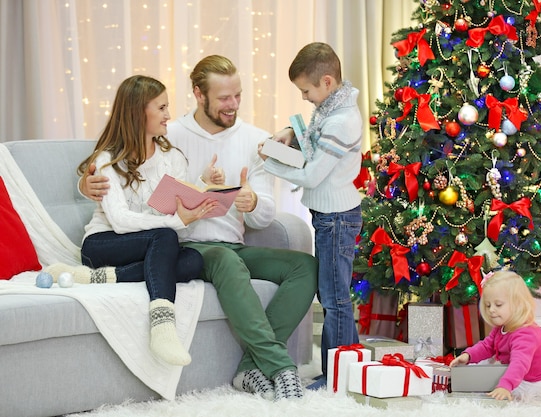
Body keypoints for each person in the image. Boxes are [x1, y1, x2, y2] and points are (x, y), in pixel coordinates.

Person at [81, 56, 318, 401]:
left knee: (304, 266)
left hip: (231, 244)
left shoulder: (255, 140)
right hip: (193, 245)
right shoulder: (170, 134)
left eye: (238, 95)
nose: (233, 105)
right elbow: (123, 174)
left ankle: (250, 367)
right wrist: (86, 186)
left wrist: (252, 203)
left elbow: (263, 216)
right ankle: (281, 367)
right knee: (224, 259)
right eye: (224, 98)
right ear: (199, 94)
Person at [46, 75, 218, 367]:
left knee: (192, 261)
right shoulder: (107, 160)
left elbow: (179, 216)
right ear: (139, 113)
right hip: (102, 244)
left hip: (148, 245)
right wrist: (176, 222)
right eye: (161, 108)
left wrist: (201, 190)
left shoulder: (172, 158)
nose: (168, 115)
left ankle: (100, 278)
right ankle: (163, 323)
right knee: (166, 237)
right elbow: (122, 222)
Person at [259, 42, 363, 389]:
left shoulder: (342, 120)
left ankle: (338, 375)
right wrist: (291, 133)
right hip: (330, 214)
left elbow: (312, 173)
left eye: (306, 90)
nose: (305, 97)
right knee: (334, 295)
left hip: (336, 216)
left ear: (327, 82)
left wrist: (271, 160)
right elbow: (314, 146)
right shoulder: (330, 111)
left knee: (334, 299)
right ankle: (345, 367)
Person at [449, 270, 541, 401]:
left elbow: (519, 364)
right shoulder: (502, 326)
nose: (491, 310)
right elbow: (487, 345)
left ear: (517, 304)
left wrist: (506, 386)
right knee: (484, 369)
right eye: (488, 305)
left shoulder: (526, 334)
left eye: (498, 305)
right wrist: (468, 355)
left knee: (503, 392)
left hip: (535, 381)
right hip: (518, 371)